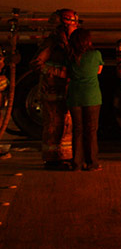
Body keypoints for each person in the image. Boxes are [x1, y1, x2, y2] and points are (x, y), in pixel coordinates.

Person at [31, 9, 78, 170]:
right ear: (64, 26)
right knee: (53, 125)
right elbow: (37, 64)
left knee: (66, 125)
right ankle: (52, 160)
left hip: (64, 91)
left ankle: (64, 157)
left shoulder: (69, 43)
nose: (75, 28)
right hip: (52, 91)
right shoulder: (52, 43)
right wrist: (59, 72)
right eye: (73, 25)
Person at [66, 29, 103, 171]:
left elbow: (66, 73)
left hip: (74, 96)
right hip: (92, 96)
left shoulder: (69, 56)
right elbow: (99, 71)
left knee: (77, 130)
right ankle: (92, 162)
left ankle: (76, 163)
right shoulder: (95, 55)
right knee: (91, 131)